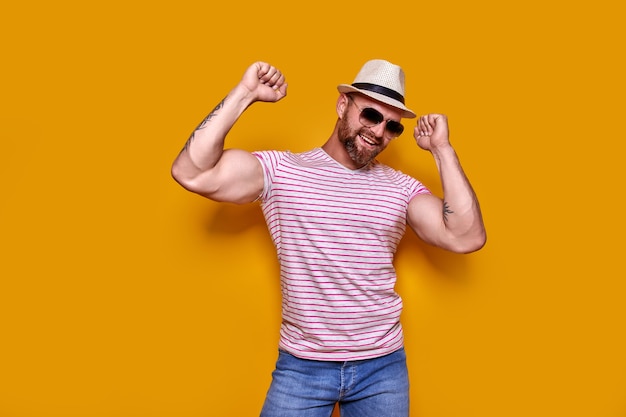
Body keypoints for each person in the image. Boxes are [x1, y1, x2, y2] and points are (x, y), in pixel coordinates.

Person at [171, 59, 486, 417]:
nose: (379, 131)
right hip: (303, 366)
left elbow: (467, 237)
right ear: (342, 106)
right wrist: (245, 94)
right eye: (370, 114)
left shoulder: (399, 188)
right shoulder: (283, 171)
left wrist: (443, 150)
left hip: (382, 367)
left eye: (392, 126)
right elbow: (191, 171)